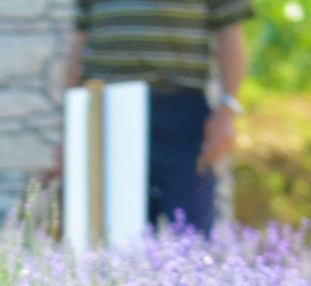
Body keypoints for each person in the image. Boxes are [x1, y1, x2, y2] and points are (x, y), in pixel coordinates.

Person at [66, 0, 253, 234]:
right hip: (107, 114)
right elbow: (80, 40)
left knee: (191, 235)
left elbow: (230, 31)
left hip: (180, 112)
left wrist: (227, 108)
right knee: (115, 238)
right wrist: (70, 127)